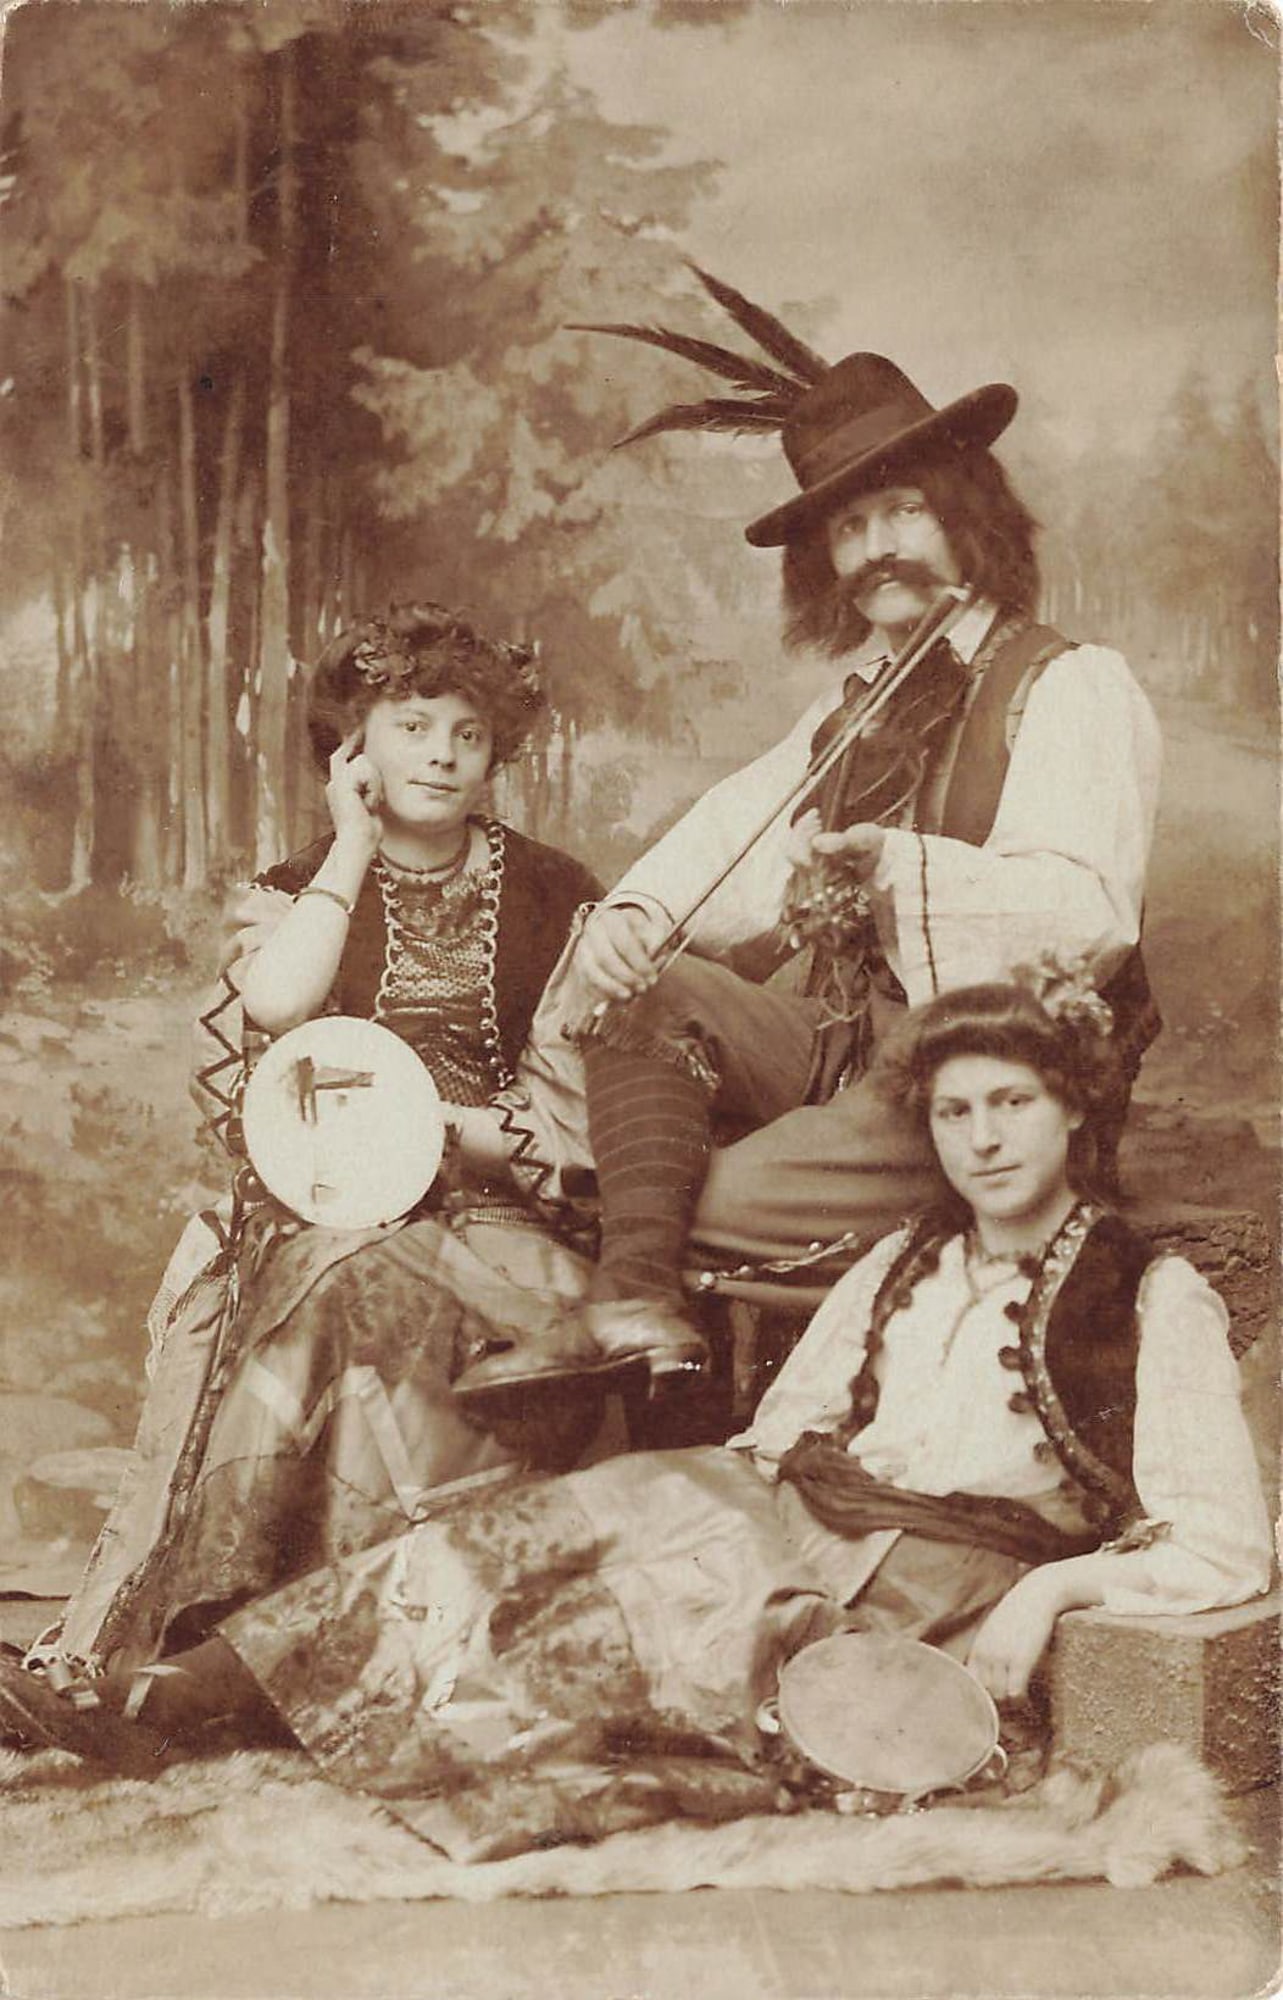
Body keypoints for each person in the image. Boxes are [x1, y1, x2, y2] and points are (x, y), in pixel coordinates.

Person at [7, 980, 1269, 1865]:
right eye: (954, 1110)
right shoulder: (898, 1260)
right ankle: (166, 1694)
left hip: (934, 1571)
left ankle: (199, 1711)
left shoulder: (1148, 1295)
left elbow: (1225, 1542)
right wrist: (703, 1502)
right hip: (795, 1505)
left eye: (1010, 1104)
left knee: (629, 1629)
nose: (982, 1137)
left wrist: (1043, 1599)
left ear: (1072, 1115)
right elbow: (782, 1431)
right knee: (537, 1533)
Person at [452, 271, 1164, 1398]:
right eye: (848, 526)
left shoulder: (1064, 687)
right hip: (840, 1054)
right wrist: (635, 917)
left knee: (685, 1195)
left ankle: (638, 1306)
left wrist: (896, 870)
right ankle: (634, 1308)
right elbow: (719, 839)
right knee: (647, 989)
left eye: (902, 511)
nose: (877, 547)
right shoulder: (856, 708)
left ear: (965, 514)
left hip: (980, 1076)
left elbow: (1089, 920)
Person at [49, 602, 615, 1675]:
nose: (441, 755)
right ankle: (223, 1637)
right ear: (353, 743)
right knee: (325, 1277)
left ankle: (371, 1655)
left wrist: (436, 1127)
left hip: (504, 1200)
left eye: (467, 733)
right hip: (329, 1203)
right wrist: (351, 847)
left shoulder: (553, 892)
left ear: (496, 750)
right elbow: (271, 1013)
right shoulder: (299, 886)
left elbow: (573, 1110)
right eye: (411, 725)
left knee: (449, 1294)